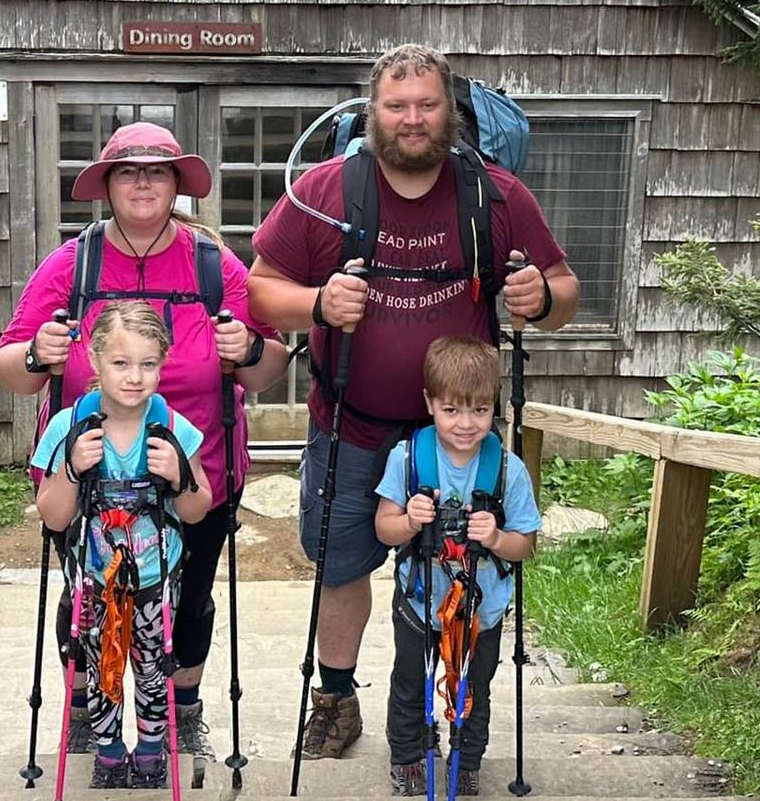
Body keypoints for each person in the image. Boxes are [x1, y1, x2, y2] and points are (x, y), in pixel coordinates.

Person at [248, 43, 578, 759]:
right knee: (341, 566)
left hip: (459, 435)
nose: (411, 119)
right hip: (352, 427)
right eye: (396, 106)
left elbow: (561, 289)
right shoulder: (326, 190)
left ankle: (449, 704)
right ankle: (335, 700)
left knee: (461, 563)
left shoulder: (494, 195)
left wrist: (540, 296)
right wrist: (316, 302)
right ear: (372, 111)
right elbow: (260, 288)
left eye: (426, 105)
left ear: (449, 112)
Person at [0, 121, 289, 764]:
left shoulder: (215, 264)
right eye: (129, 171)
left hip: (195, 471)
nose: (144, 183)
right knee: (88, 597)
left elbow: (269, 367)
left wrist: (253, 349)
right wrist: (39, 353)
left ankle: (181, 712)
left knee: (189, 598)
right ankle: (83, 708)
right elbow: (10, 368)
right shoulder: (72, 265)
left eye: (158, 170)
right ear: (107, 185)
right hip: (90, 474)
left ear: (179, 183)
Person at [31, 301, 214, 786]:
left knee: (154, 667)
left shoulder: (173, 430)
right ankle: (109, 752)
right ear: (93, 360)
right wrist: (72, 468)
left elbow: (199, 508)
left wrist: (179, 478)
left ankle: (153, 750)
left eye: (148, 364)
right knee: (101, 665)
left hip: (156, 578)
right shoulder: (70, 427)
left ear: (162, 363)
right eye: (120, 363)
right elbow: (53, 514)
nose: (134, 377)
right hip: (95, 578)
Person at [374, 336, 542, 795]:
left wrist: (496, 537)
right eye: (452, 411)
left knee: (473, 687)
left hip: (480, 612)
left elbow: (523, 545)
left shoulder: (508, 470)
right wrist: (409, 520)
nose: (466, 424)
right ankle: (409, 756)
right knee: (411, 680)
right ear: (429, 403)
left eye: (480, 411)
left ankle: (466, 761)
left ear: (494, 407)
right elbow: (384, 528)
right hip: (418, 600)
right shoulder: (407, 459)